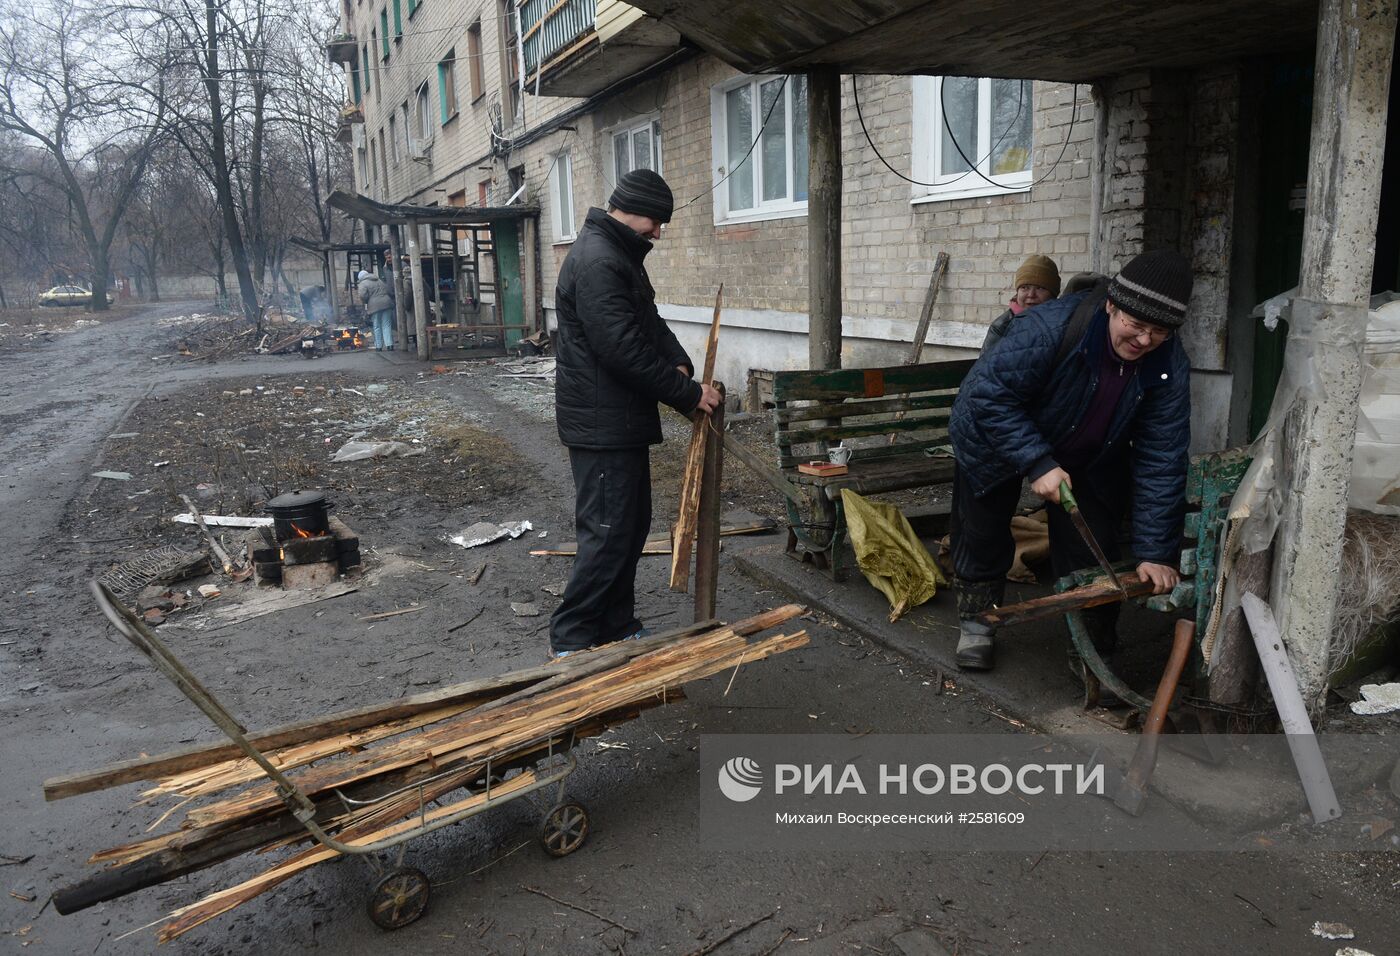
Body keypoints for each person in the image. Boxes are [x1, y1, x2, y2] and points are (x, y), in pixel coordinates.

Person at [947, 250, 1194, 679]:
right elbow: (987, 396)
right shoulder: (1047, 328)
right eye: (1135, 325)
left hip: (1085, 452)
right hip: (991, 437)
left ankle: (1091, 649)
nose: (1144, 341)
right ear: (1111, 305)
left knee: (1090, 544)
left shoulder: (1167, 362)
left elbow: (1163, 453)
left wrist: (1156, 550)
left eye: (1159, 331)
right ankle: (977, 624)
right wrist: (1036, 461)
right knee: (983, 531)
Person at [548, 169, 722, 659]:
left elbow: (647, 321)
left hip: (617, 421)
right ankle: (573, 638)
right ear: (632, 208)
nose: (659, 233)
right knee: (606, 532)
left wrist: (677, 358)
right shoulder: (599, 260)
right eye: (656, 221)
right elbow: (621, 348)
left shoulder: (618, 254)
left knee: (628, 526)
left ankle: (616, 624)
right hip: (602, 424)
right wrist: (686, 394)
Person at [981, 254, 1061, 352]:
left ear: (1053, 293)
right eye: (1025, 288)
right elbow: (985, 365)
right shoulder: (1002, 327)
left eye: (1040, 288)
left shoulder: (1064, 323)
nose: (1031, 295)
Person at [357, 269, 394, 351]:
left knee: (377, 326)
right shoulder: (378, 280)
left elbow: (362, 296)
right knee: (386, 325)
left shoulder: (363, 283)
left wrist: (367, 301)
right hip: (386, 303)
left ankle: (379, 346)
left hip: (374, 306)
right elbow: (387, 290)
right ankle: (389, 345)